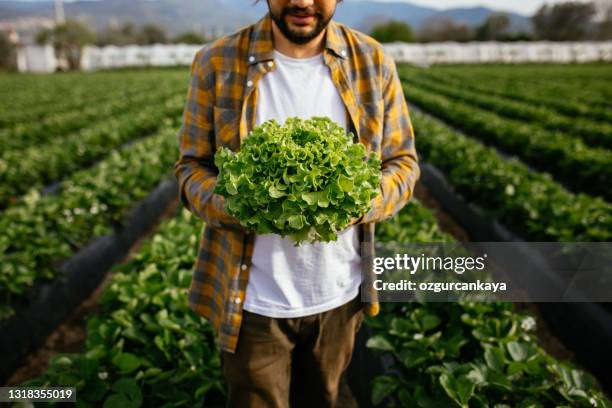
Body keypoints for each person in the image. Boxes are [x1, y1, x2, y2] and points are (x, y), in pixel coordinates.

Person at [174, 0, 420, 406]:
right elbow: (191, 169)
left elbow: (403, 163)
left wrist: (362, 201)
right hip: (252, 300)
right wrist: (237, 205)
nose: (302, 1)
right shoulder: (216, 62)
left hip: (339, 295)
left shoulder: (372, 62)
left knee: (327, 397)